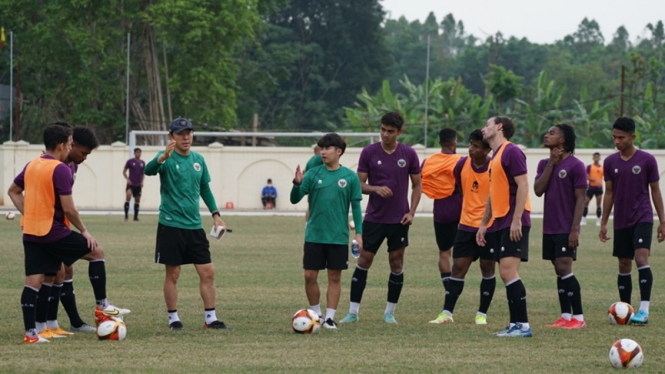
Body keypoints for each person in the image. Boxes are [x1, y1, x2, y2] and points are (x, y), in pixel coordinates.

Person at [7, 123, 129, 344]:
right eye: (71, 144)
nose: (72, 148)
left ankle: (34, 333)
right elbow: (70, 208)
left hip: (32, 232)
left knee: (36, 280)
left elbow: (12, 191)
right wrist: (84, 231)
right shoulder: (60, 168)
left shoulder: (32, 164)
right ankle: (102, 307)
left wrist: (30, 213)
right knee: (96, 251)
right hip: (52, 231)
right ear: (62, 146)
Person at [144, 117, 230, 331]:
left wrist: (216, 215)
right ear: (171, 136)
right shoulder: (166, 158)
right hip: (171, 225)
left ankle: (211, 318)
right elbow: (148, 171)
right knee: (173, 274)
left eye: (189, 133)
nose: (186, 137)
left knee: (208, 271)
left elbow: (204, 189)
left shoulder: (199, 159)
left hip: (194, 226)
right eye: (180, 133)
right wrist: (162, 157)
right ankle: (173, 318)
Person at [339, 111, 422, 325]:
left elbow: (417, 185)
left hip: (399, 220)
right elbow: (359, 185)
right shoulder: (368, 152)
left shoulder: (409, 154)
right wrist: (376, 189)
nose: (385, 134)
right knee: (364, 260)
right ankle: (353, 312)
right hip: (374, 219)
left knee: (396, 263)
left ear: (399, 132)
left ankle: (389, 313)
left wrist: (411, 212)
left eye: (390, 131)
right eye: (383, 130)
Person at [290, 133, 363, 329]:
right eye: (321, 148)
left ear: (338, 151)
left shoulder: (350, 177)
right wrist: (297, 183)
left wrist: (358, 234)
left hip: (337, 236)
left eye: (327, 148)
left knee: (334, 276)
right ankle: (317, 315)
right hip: (314, 234)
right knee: (309, 275)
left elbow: (356, 207)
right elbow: (295, 199)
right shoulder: (313, 174)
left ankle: (330, 318)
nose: (322, 152)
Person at [599, 117, 665, 325]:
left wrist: (662, 221)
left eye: (621, 137)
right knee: (623, 263)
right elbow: (609, 193)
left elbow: (655, 191)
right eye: (614, 137)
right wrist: (603, 222)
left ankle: (644, 311)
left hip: (643, 217)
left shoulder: (647, 160)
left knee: (641, 258)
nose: (617, 141)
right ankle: (625, 310)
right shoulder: (610, 162)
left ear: (632, 137)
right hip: (621, 219)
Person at [429, 130, 497, 325]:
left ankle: (481, 314)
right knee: (458, 268)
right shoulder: (461, 165)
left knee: (487, 268)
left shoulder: (495, 166)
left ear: (486, 149)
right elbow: (460, 188)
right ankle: (446, 313)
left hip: (489, 227)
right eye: (470, 144)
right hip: (465, 226)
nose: (470, 149)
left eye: (476, 146)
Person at [476, 116, 532, 338]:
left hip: (513, 220)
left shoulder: (512, 151)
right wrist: (483, 223)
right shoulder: (494, 158)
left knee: (508, 271)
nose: (483, 128)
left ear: (499, 127)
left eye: (487, 124)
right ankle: (515, 324)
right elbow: (492, 194)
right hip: (499, 221)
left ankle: (523, 326)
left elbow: (523, 185)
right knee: (505, 273)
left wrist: (517, 219)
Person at [534, 124, 587, 329]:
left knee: (565, 268)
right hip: (550, 227)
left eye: (552, 133)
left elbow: (580, 199)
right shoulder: (543, 164)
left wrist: (575, 229)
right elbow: (538, 190)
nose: (546, 135)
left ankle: (579, 318)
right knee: (559, 270)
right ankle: (565, 316)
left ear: (563, 140)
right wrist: (551, 164)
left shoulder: (576, 166)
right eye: (547, 132)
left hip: (566, 227)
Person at [421, 128, 462, 317]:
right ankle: (455, 288)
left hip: (441, 212)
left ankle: (448, 288)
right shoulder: (462, 162)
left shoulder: (429, 162)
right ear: (454, 144)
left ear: (440, 143)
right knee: (462, 256)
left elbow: (421, 181)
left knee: (444, 253)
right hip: (462, 211)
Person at [123, 148, 145, 222]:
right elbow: (124, 172)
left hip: (138, 184)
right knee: (128, 196)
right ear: (134, 153)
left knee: (137, 200)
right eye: (137, 152)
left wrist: (142, 182)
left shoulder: (142, 163)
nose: (139, 154)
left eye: (140, 152)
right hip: (131, 183)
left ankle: (135, 217)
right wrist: (127, 179)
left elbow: (143, 173)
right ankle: (126, 216)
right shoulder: (130, 162)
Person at [582, 152, 603, 226]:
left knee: (599, 204)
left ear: (599, 158)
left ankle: (598, 220)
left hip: (599, 188)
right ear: (593, 158)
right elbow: (587, 177)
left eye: (597, 157)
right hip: (591, 187)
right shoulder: (589, 167)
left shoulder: (602, 167)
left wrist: (600, 182)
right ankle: (583, 220)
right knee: (585, 203)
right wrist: (595, 180)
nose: (596, 158)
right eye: (595, 157)